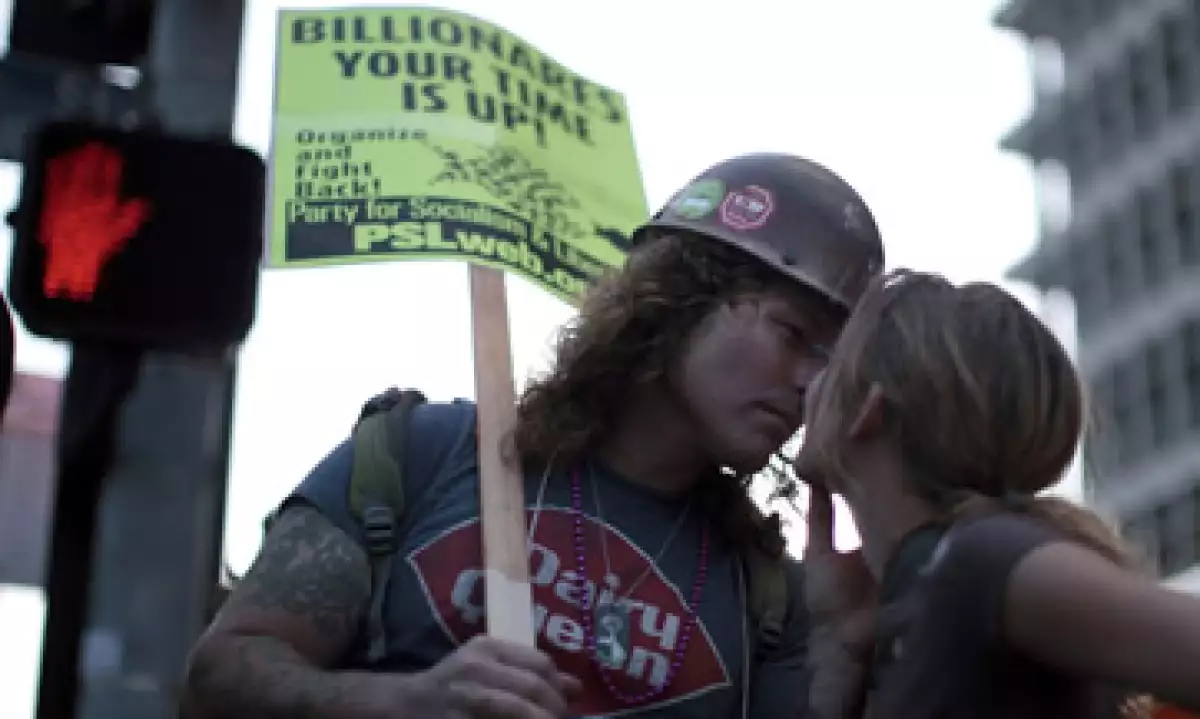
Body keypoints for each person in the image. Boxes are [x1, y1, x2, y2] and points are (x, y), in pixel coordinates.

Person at [181, 152, 886, 719]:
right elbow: (219, 675)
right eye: (792, 334)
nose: (810, 385)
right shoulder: (424, 452)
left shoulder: (768, 594)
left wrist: (842, 656)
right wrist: (409, 698)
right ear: (679, 299)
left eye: (832, 361)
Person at [793, 269, 1200, 718]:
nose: (806, 382)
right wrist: (839, 656)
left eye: (827, 361)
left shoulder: (983, 561)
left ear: (868, 409)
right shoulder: (921, 599)